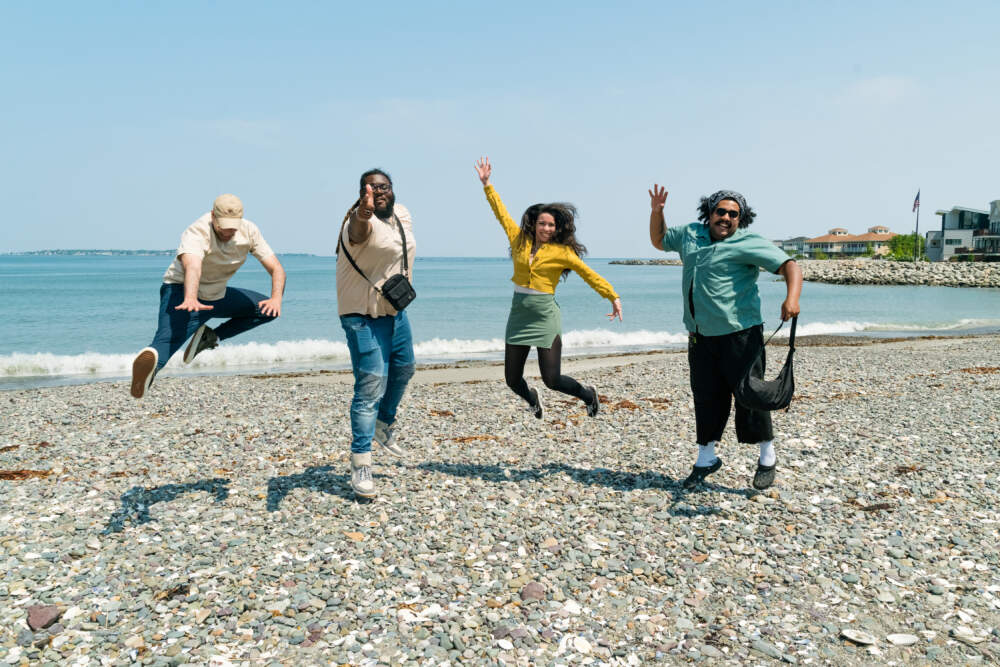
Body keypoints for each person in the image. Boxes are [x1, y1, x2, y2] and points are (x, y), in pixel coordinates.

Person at [648, 185, 802, 491]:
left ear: (740, 219)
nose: (727, 218)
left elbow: (790, 266)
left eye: (734, 214)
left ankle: (767, 457)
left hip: (741, 335)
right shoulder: (691, 234)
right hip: (700, 337)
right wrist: (657, 212)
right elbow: (659, 241)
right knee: (706, 396)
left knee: (750, 396)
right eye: (721, 211)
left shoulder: (748, 242)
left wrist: (791, 298)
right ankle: (706, 458)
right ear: (710, 212)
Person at [475, 157, 622, 418]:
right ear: (534, 224)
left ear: (556, 229)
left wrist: (612, 295)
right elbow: (501, 213)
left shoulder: (562, 252)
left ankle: (588, 394)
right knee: (512, 379)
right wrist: (488, 185)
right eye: (542, 223)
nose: (546, 228)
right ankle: (531, 398)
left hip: (545, 316)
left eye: (551, 225)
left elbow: (589, 274)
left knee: (551, 379)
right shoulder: (518, 239)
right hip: (519, 314)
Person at [130, 194, 285, 399]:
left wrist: (276, 299)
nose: (229, 232)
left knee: (266, 310)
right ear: (213, 216)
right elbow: (192, 265)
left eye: (233, 227)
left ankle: (210, 337)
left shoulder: (249, 230)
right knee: (166, 343)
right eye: (224, 227)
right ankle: (147, 373)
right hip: (181, 293)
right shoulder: (197, 231)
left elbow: (277, 269)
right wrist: (191, 297)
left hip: (216, 295)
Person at [336, 168, 416, 500]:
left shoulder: (402, 214)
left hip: (394, 310)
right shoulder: (356, 222)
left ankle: (385, 423)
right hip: (361, 315)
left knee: (404, 368)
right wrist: (364, 210)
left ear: (392, 189)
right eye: (371, 188)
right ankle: (361, 464)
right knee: (370, 387)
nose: (379, 192)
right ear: (361, 193)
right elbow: (359, 228)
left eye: (383, 187)